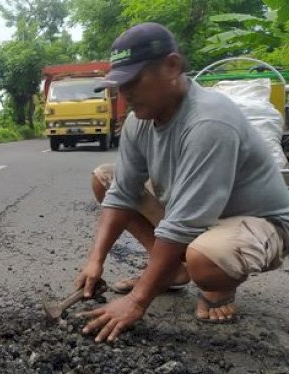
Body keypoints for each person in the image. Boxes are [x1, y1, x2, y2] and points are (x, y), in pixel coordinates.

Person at [73, 22, 289, 343]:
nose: (125, 94)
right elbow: (121, 193)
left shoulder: (208, 120)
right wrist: (95, 260)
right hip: (196, 213)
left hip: (257, 222)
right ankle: (173, 271)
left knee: (203, 259)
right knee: (106, 179)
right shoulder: (138, 121)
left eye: (133, 81)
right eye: (120, 85)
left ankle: (218, 282)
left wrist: (137, 301)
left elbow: (183, 223)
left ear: (172, 66)